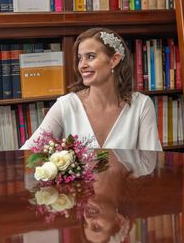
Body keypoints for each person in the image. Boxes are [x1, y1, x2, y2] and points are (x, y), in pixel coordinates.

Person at [22, 28, 162, 151]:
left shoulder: (142, 105)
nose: (82, 65)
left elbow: (153, 163)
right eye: (79, 58)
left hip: (131, 182)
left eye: (90, 56)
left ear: (114, 60)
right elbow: (27, 153)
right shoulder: (66, 105)